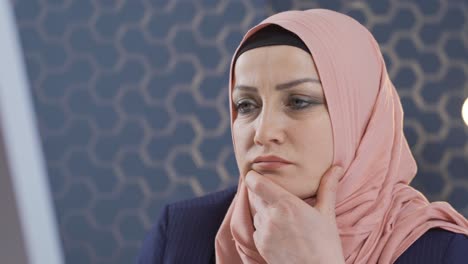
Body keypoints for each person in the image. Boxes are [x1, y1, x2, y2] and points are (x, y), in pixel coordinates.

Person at [137, 9, 468, 264]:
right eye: (246, 105)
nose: (263, 133)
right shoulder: (183, 233)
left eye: (298, 102)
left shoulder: (446, 251)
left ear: (362, 118)